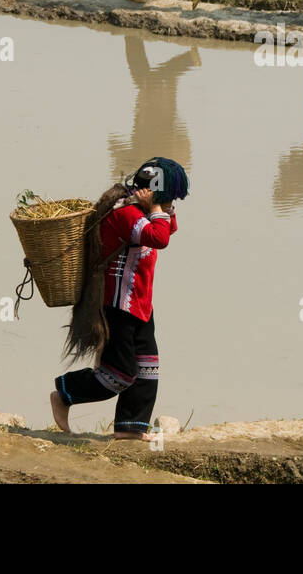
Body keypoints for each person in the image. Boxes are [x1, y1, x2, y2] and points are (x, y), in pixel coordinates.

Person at [50, 158, 189, 439]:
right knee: (121, 374)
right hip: (118, 305)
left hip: (139, 305)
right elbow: (159, 237)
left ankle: (130, 428)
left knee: (147, 369)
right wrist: (155, 209)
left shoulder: (142, 209)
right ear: (150, 191)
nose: (169, 201)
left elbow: (168, 228)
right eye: (167, 195)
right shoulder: (126, 213)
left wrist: (162, 208)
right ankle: (65, 393)